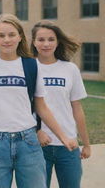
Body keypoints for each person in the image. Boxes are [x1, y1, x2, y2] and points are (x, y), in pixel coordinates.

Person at [0, 14, 77, 188]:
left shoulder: (31, 64)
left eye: (11, 35)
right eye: (1, 35)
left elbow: (41, 107)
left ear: (20, 37)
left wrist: (63, 137)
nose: (6, 39)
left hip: (28, 141)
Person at [30, 20, 91, 188]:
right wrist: (37, 131)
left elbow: (77, 108)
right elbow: (21, 106)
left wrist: (85, 143)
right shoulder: (27, 67)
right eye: (41, 39)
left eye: (51, 39)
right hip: (38, 145)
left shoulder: (70, 69)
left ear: (57, 42)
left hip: (68, 145)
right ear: (34, 42)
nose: (46, 44)